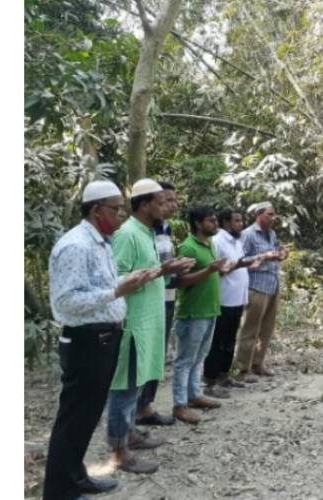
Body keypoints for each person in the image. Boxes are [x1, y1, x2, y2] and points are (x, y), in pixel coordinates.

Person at [43, 180, 157, 500]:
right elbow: (66, 302)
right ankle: (59, 491)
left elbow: (99, 288)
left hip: (103, 338)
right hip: (85, 341)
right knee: (74, 419)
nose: (121, 215)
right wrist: (117, 290)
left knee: (87, 417)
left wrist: (129, 280)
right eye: (115, 208)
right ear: (95, 210)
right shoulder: (75, 245)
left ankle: (76, 476)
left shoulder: (101, 242)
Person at [107, 179, 193, 474]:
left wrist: (167, 270)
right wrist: (162, 270)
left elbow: (148, 274)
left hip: (147, 325)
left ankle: (129, 433)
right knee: (124, 387)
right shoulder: (128, 234)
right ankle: (119, 452)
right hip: (132, 326)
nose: (165, 206)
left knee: (135, 384)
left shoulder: (147, 233)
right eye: (159, 201)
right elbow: (115, 282)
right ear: (144, 205)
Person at [171, 206, 229, 424]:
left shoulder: (210, 243)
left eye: (216, 220)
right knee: (184, 359)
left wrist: (218, 269)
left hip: (209, 309)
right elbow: (181, 281)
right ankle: (179, 405)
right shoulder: (187, 246)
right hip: (193, 312)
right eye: (211, 221)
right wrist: (209, 271)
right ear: (198, 223)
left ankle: (194, 395)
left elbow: (209, 272)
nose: (215, 224)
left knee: (199, 356)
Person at [203, 210, 261, 397]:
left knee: (229, 339)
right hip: (224, 298)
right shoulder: (218, 241)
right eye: (237, 220)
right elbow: (216, 270)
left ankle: (224, 375)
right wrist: (240, 265)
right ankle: (210, 381)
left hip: (237, 298)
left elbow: (237, 264)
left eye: (241, 220)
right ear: (226, 222)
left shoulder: (236, 241)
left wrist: (247, 264)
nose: (241, 224)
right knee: (217, 341)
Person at [135, 181, 178, 426]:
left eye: (171, 201)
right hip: (149, 300)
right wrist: (166, 269)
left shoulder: (165, 228)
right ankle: (136, 408)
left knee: (157, 354)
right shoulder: (138, 231)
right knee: (145, 354)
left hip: (167, 296)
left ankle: (146, 406)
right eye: (164, 201)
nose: (170, 206)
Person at [235, 201, 289, 381]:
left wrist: (279, 256)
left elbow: (273, 255)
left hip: (272, 284)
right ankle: (243, 368)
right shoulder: (248, 235)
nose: (273, 218)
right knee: (250, 328)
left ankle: (258, 363)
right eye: (269, 214)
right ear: (258, 215)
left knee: (267, 328)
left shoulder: (271, 234)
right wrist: (263, 256)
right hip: (256, 286)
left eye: (274, 215)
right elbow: (239, 261)